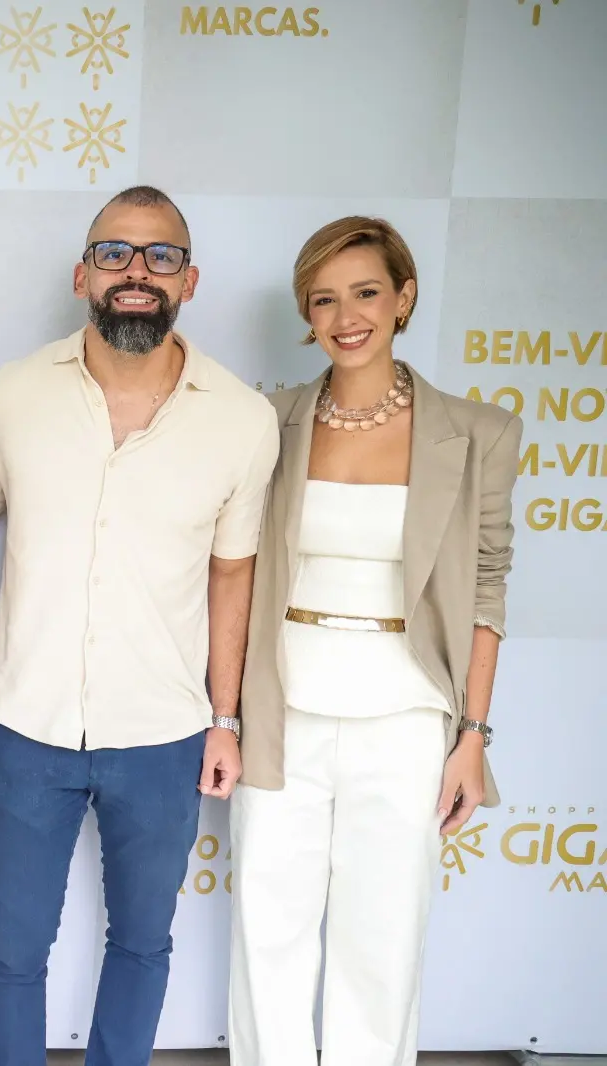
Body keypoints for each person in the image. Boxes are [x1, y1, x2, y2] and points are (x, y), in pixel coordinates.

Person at [0, 186, 279, 1066]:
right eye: (115, 253)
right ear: (83, 276)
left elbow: (232, 574)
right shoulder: (17, 392)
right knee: (14, 949)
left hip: (164, 733)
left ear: (189, 280)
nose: (136, 271)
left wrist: (225, 718)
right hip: (28, 724)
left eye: (160, 255)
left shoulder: (242, 420)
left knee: (142, 943)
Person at [229, 216, 521, 1066]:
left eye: (365, 292)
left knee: (382, 949)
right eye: (323, 300)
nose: (346, 316)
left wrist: (472, 737)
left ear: (404, 297)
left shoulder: (480, 434)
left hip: (405, 718)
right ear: (306, 314)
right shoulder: (268, 422)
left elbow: (488, 590)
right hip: (281, 710)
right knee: (267, 937)